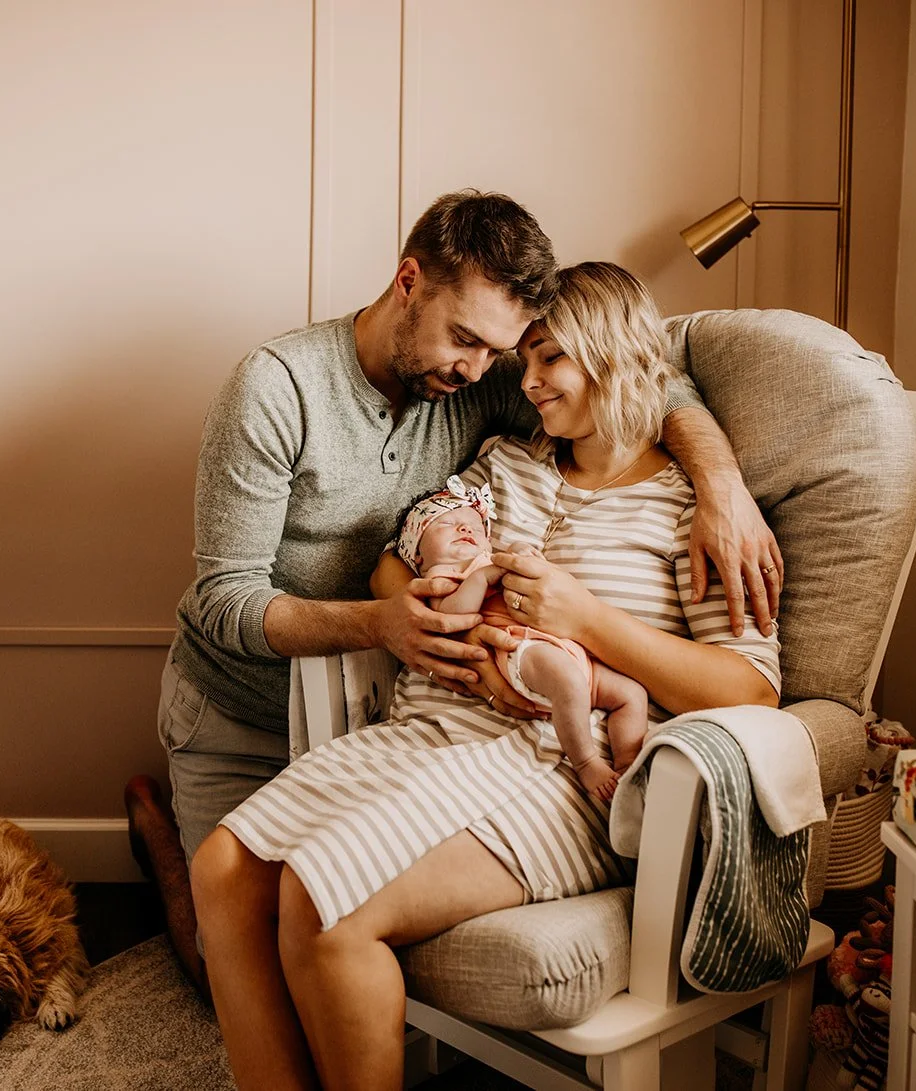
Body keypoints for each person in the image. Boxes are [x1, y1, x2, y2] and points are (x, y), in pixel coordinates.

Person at [123, 191, 783, 996]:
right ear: (408, 282)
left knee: (304, 932)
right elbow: (223, 602)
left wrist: (721, 484)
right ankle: (154, 833)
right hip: (241, 700)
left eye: (497, 351)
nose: (480, 368)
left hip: (369, 702)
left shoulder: (489, 377)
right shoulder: (276, 387)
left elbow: (647, 384)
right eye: (466, 338)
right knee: (215, 958)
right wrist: (384, 620)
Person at [395, 478, 647, 799]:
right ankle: (586, 762)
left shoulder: (488, 559)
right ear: (418, 555)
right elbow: (452, 617)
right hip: (519, 651)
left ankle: (628, 762)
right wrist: (482, 578)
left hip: (567, 650)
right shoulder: (440, 577)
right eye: (447, 524)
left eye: (473, 525)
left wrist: (519, 553)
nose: (464, 529)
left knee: (631, 693)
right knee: (568, 683)